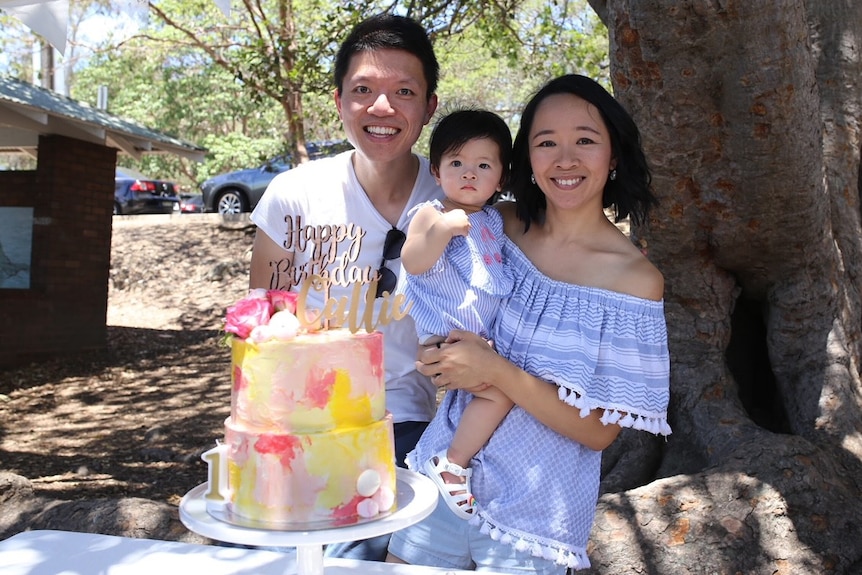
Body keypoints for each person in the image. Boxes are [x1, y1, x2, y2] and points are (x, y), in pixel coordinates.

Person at [386, 74, 672, 573]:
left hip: (532, 515)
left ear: (614, 154)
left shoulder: (635, 280)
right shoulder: (496, 226)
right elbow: (436, 291)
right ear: (526, 160)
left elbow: (599, 433)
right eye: (546, 143)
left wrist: (495, 371)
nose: (565, 159)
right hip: (441, 483)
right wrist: (439, 355)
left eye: (585, 140)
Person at [248, 12, 442, 560]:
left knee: (360, 546)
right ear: (339, 101)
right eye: (363, 90)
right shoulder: (294, 197)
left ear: (429, 106)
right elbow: (263, 332)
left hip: (405, 423)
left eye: (404, 91)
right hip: (306, 423)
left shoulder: (456, 199)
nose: (383, 108)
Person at [397, 108, 514, 520]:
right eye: (456, 163)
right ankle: (453, 463)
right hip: (445, 333)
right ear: (437, 169)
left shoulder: (494, 221)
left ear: (500, 178)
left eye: (483, 165)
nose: (469, 174)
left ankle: (460, 458)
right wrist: (443, 228)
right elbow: (413, 260)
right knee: (498, 391)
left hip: (478, 338)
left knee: (494, 392)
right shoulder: (430, 213)